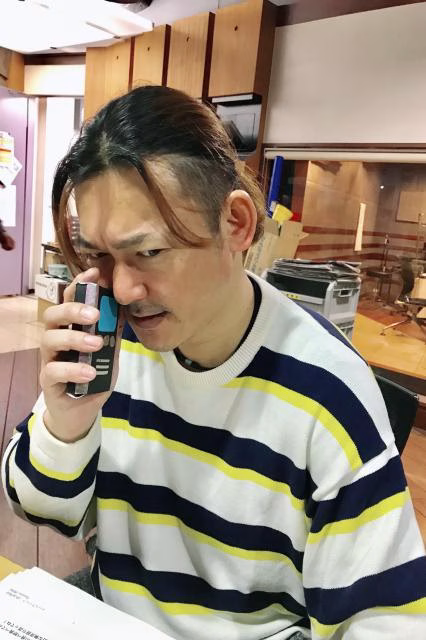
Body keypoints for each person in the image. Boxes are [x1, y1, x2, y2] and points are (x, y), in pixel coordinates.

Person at [1, 86, 425, 640]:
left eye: (149, 252)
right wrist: (65, 425)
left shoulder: (328, 390)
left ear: (237, 224)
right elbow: (43, 511)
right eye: (100, 254)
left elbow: (386, 623)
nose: (122, 290)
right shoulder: (111, 345)